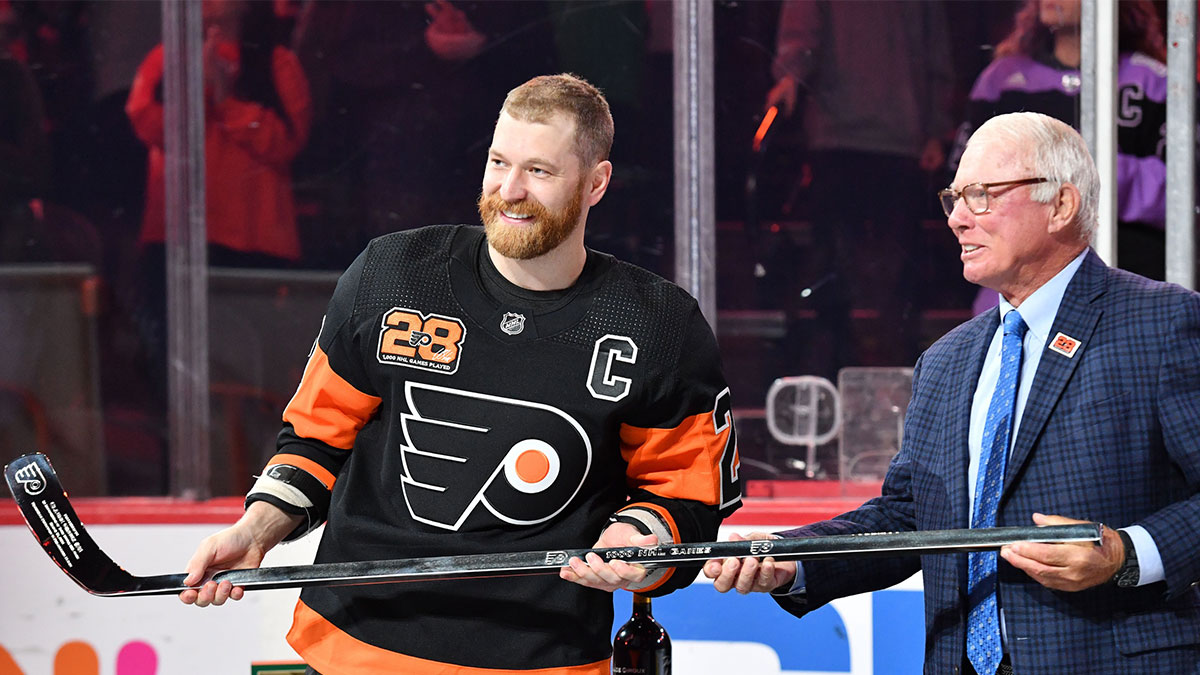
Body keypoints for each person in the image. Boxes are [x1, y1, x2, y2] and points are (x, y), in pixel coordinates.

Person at [179, 73, 742, 675]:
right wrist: (258, 528)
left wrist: (644, 542)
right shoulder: (393, 274)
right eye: (499, 161)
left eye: (541, 171)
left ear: (596, 183)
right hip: (356, 646)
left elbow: (685, 496)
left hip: (542, 658)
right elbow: (318, 438)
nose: (510, 189)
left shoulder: (657, 324)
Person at [705, 112, 1200, 673]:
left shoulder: (1162, 322)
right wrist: (789, 559)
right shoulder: (946, 360)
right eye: (955, 197)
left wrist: (1127, 554)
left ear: (1060, 206)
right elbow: (910, 519)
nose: (958, 219)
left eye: (982, 195)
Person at [766, 0, 955, 376]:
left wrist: (936, 129)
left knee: (880, 267)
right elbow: (802, 33)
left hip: (890, 136)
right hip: (849, 135)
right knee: (850, 265)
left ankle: (885, 368)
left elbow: (935, 51)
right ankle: (841, 368)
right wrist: (790, 75)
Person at [953, 0, 1169, 285]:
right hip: (1022, 278)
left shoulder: (1153, 80)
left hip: (1134, 269)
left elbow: (1181, 189)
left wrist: (1084, 174)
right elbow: (963, 176)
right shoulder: (1003, 80)